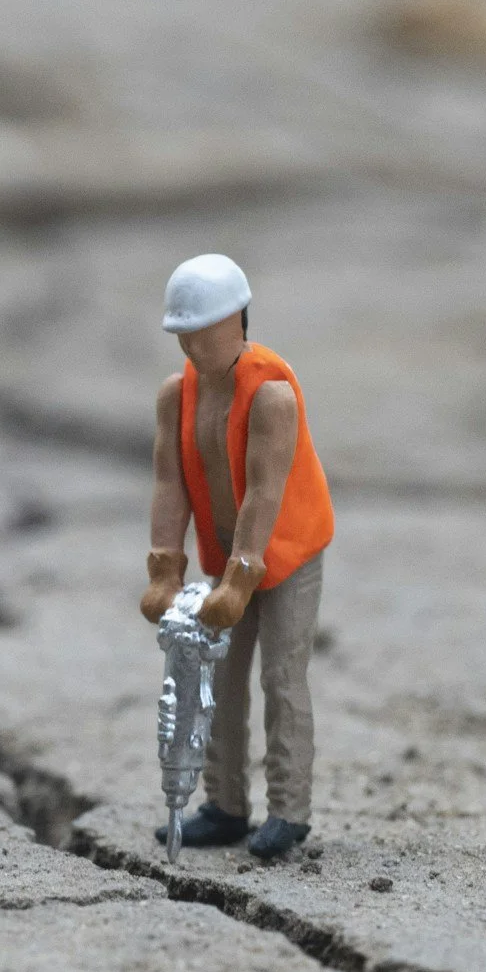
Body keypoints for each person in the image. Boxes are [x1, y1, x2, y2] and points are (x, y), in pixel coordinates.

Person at [138, 254, 335, 859]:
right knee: (216, 681)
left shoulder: (271, 395)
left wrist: (241, 580)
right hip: (225, 562)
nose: (192, 346)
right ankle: (224, 804)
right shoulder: (179, 395)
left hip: (286, 555)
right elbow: (171, 484)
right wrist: (166, 568)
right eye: (183, 335)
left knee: (282, 679)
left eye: (202, 332)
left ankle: (289, 812)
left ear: (236, 321)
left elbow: (264, 493)